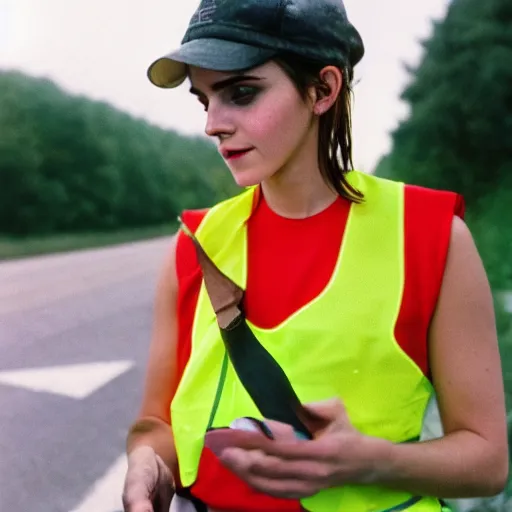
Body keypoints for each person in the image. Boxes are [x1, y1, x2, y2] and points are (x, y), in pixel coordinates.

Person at [122, 1, 509, 511]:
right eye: (204, 100)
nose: (213, 124)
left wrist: (366, 461)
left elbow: (487, 461)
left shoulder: (431, 236)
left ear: (323, 90)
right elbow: (159, 426)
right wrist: (148, 461)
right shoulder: (197, 245)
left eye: (241, 93)